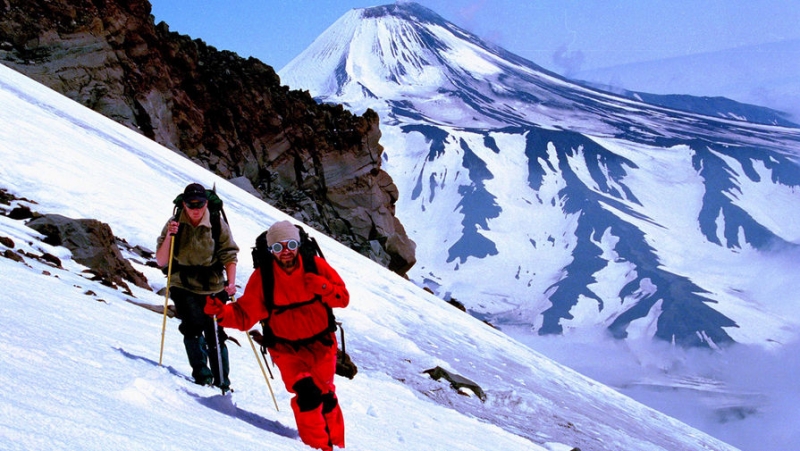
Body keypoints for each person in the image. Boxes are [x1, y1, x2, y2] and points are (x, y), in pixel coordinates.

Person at [204, 220, 349, 451]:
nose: (286, 251)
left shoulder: (315, 266)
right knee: (307, 395)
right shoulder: (264, 277)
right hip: (285, 350)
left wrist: (323, 287)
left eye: (291, 244)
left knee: (327, 397)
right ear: (271, 250)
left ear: (299, 244)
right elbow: (244, 315)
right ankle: (318, 447)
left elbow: (342, 298)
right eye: (278, 247)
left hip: (321, 346)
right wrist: (221, 312)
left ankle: (338, 445)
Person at [156, 182, 239, 391]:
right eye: (190, 204)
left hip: (212, 284)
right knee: (192, 326)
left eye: (199, 204)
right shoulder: (174, 223)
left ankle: (222, 382)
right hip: (182, 283)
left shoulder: (216, 223)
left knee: (215, 332)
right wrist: (170, 236)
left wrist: (231, 282)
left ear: (205, 204)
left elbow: (229, 254)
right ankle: (203, 377)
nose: (195, 209)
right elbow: (161, 260)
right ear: (183, 204)